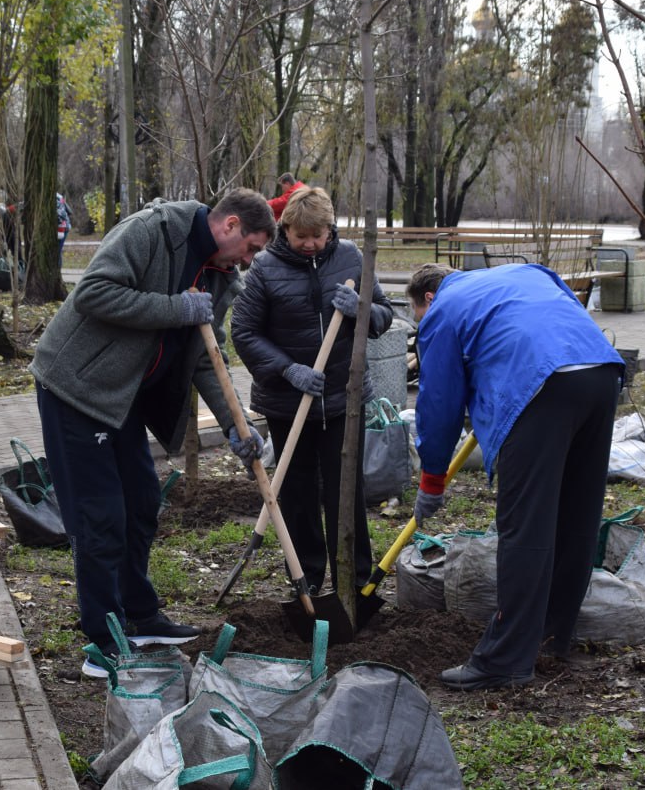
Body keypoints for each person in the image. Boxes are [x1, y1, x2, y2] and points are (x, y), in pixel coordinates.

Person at [30, 189, 276, 676]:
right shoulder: (153, 231)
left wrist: (236, 424)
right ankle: (104, 643)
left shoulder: (222, 274)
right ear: (228, 226)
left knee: (142, 502)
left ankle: (138, 615)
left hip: (123, 396)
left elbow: (206, 352)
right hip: (76, 387)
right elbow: (93, 292)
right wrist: (174, 309)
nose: (250, 261)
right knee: (99, 516)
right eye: (249, 248)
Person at [406, 262, 624, 691]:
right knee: (574, 514)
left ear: (427, 299)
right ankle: (553, 634)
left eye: (418, 317)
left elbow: (439, 402)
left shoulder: (443, 310)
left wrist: (432, 480)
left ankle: (505, 660)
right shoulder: (526, 272)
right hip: (599, 371)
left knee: (525, 525)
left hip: (542, 386)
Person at [231, 186, 392, 594]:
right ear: (286, 229)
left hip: (343, 400)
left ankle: (352, 584)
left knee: (346, 495)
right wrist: (288, 370)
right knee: (298, 498)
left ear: (329, 229)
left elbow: (384, 316)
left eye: (317, 235)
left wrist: (360, 307)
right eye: (301, 236)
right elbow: (244, 331)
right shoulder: (265, 268)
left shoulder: (352, 258)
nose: (310, 244)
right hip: (289, 403)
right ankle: (306, 582)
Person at [56, 192, 73, 266]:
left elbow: (61, 214)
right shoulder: (59, 196)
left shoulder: (56, 198)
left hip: (62, 228)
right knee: (57, 251)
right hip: (63, 227)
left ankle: (57, 269)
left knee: (57, 251)